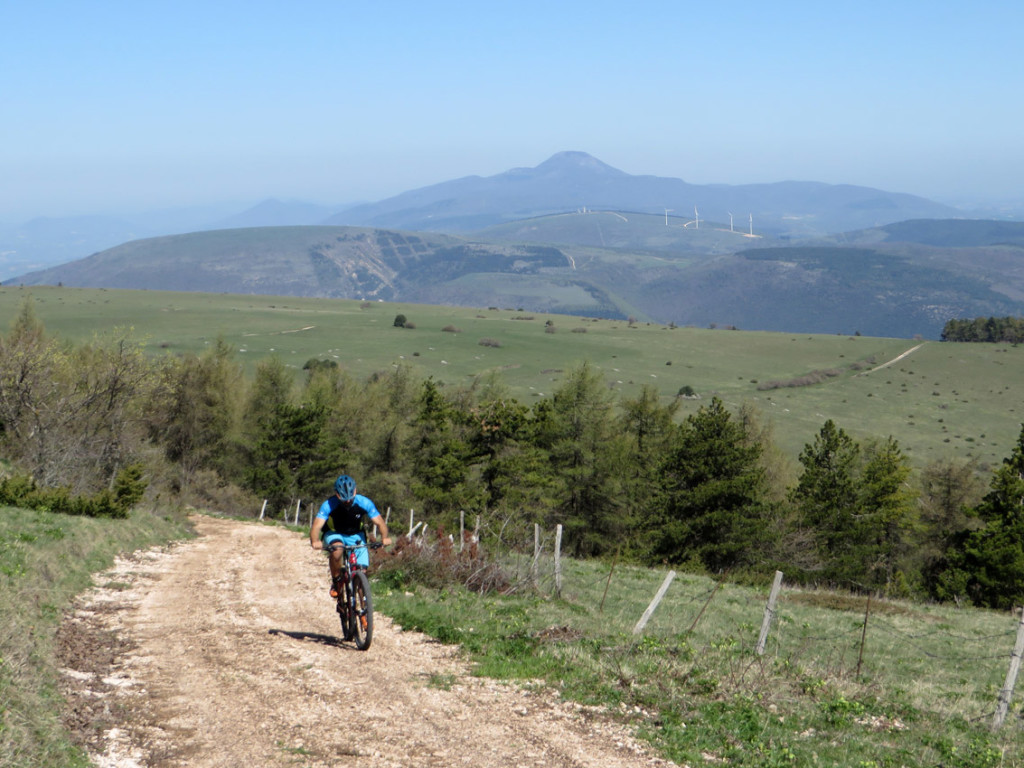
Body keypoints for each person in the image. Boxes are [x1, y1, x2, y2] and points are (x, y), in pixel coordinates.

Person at [310, 474, 392, 598]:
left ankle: (364, 609)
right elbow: (316, 526)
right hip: (334, 533)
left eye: (350, 498)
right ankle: (337, 582)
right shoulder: (329, 505)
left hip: (356, 534)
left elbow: (380, 523)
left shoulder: (364, 502)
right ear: (337, 494)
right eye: (344, 499)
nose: (348, 501)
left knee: (362, 572)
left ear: (355, 491)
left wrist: (384, 537)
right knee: (337, 550)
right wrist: (315, 540)